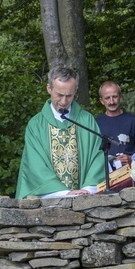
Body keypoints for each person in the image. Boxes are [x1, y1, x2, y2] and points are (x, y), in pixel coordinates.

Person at [15, 66, 104, 199]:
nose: (64, 101)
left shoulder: (86, 120)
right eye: (59, 95)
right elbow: (35, 165)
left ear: (76, 91)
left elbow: (98, 157)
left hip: (84, 198)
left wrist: (86, 189)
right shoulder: (36, 125)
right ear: (49, 89)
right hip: (49, 198)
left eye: (69, 96)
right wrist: (64, 192)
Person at [96, 81, 135, 169]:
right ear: (101, 101)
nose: (112, 101)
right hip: (104, 176)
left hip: (130, 175)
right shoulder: (96, 123)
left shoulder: (133, 121)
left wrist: (132, 158)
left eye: (115, 97)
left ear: (120, 97)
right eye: (107, 98)